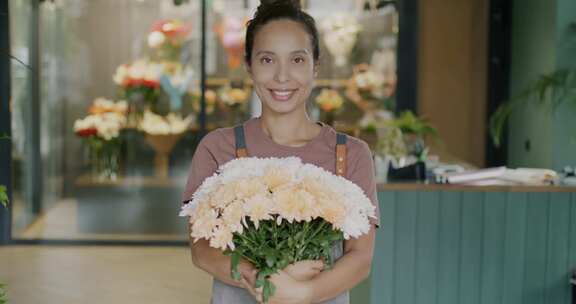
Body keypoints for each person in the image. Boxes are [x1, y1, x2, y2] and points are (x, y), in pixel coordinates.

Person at [182, 1, 380, 303]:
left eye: (297, 60)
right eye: (267, 60)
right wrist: (265, 282)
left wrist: (303, 292)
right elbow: (202, 249)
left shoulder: (351, 154)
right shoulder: (217, 148)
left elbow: (360, 258)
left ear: (316, 65)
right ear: (249, 66)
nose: (283, 76)